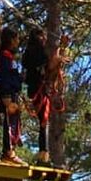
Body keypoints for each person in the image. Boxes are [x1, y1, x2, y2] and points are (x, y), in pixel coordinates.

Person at [22, 27, 52, 167]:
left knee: (43, 121)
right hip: (39, 89)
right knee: (44, 121)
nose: (44, 39)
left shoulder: (28, 52)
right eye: (42, 36)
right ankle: (43, 153)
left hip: (33, 88)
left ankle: (43, 152)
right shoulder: (39, 52)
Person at [0, 25, 24, 164]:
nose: (18, 42)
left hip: (12, 92)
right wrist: (6, 97)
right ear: (11, 40)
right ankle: (8, 152)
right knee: (9, 123)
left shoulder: (9, 57)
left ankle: (10, 150)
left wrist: (20, 78)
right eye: (16, 39)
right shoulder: (4, 56)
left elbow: (11, 76)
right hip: (7, 94)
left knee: (13, 122)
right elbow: (4, 77)